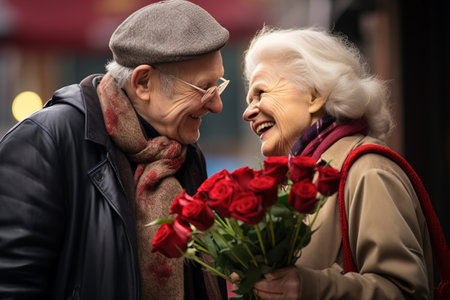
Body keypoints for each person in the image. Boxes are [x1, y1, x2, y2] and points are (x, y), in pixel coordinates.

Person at [0, 0, 230, 299]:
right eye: (204, 89)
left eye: (219, 85)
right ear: (143, 82)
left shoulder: (182, 150)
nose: (217, 104)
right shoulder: (46, 141)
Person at [242, 26, 434, 299]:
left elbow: (406, 291)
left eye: (260, 93)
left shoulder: (368, 170)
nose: (247, 112)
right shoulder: (305, 179)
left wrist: (312, 287)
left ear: (314, 96)